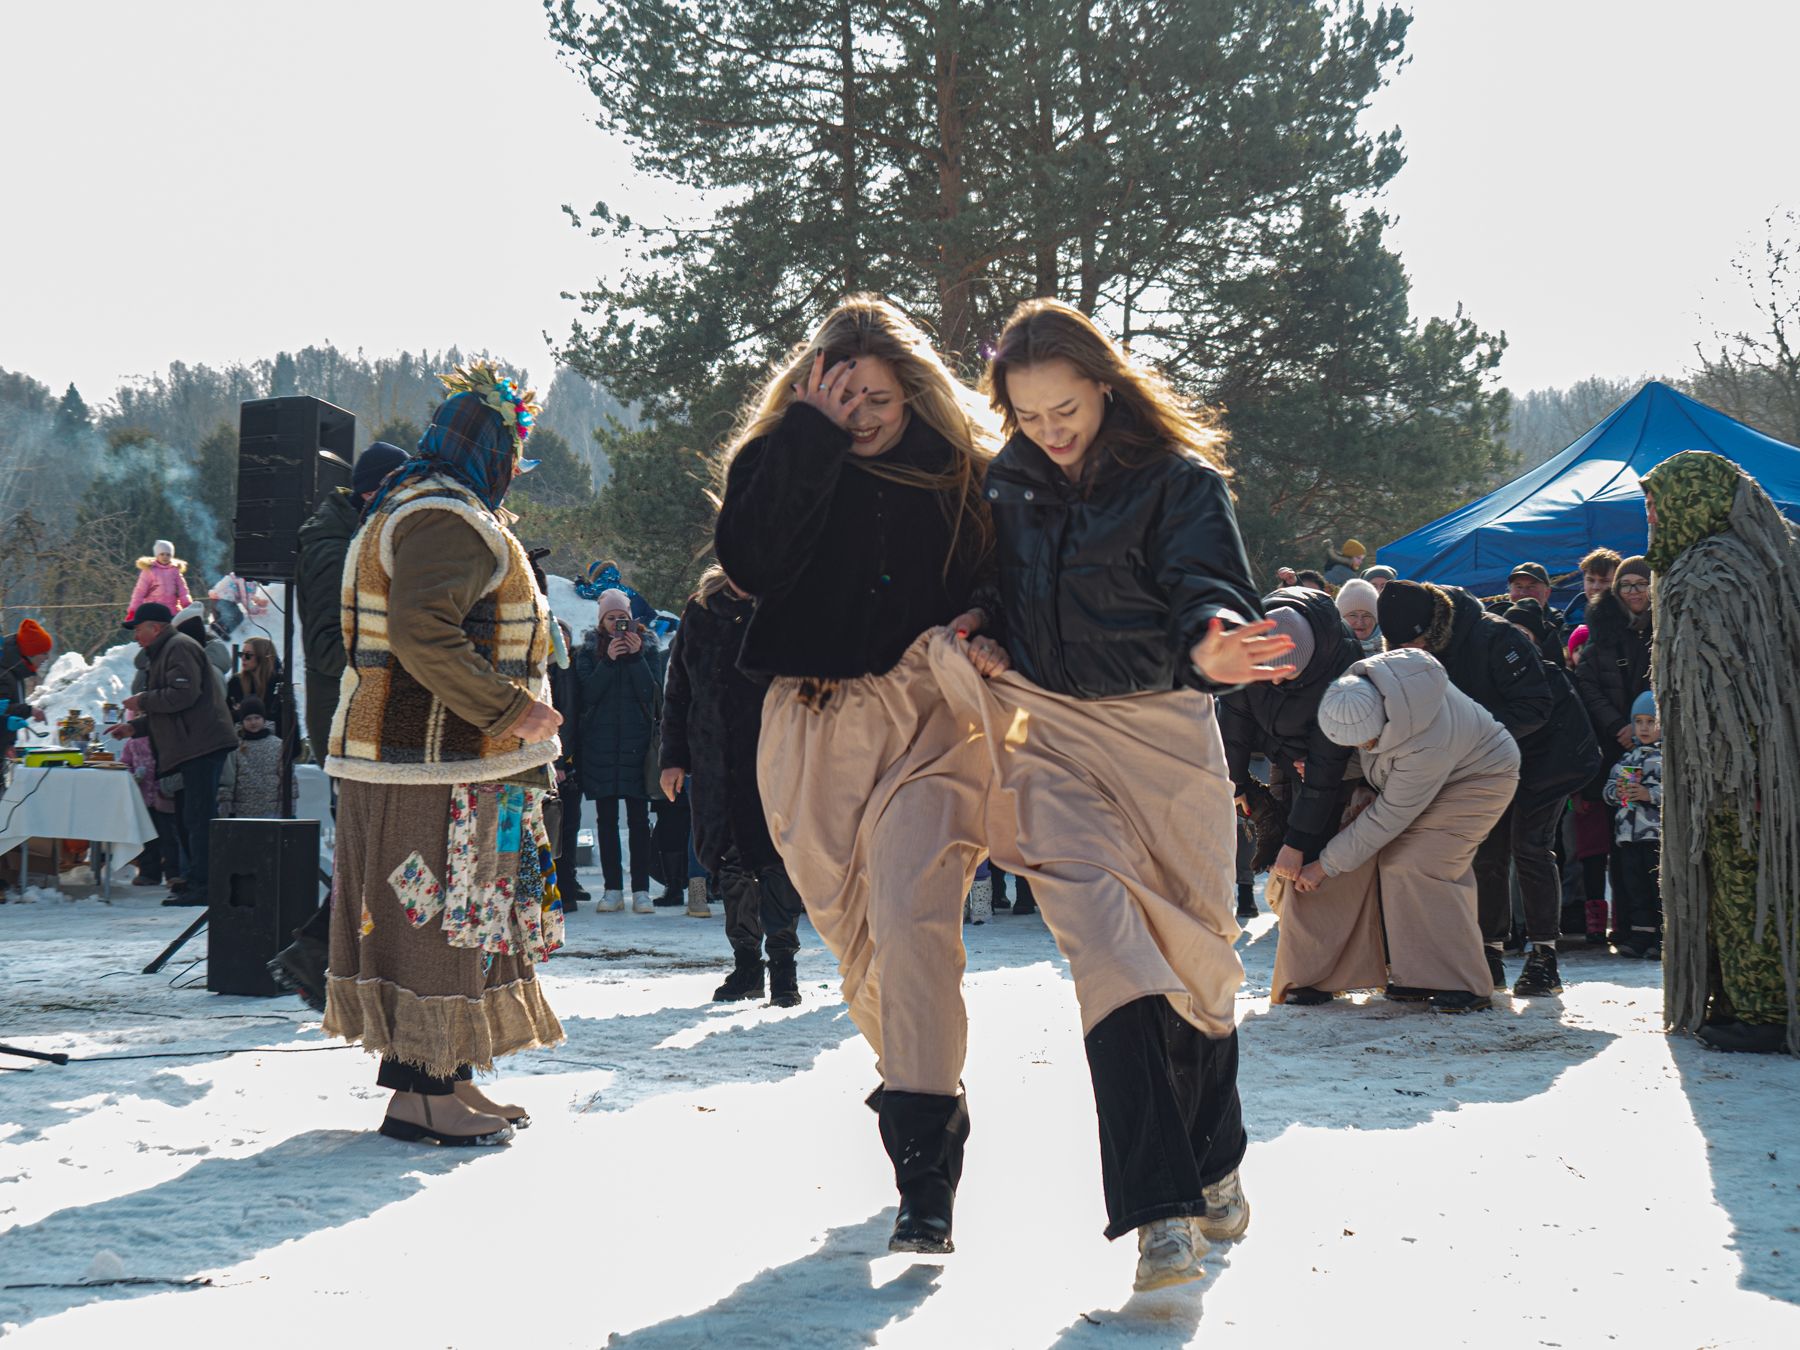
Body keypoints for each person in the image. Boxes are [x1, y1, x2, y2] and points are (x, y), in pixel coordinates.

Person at [954, 297, 1282, 1292]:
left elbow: (1203, 586)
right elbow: (984, 583)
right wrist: (976, 619)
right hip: (1049, 736)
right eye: (1029, 415)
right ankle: (1161, 1215)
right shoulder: (1005, 485)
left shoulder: (1180, 482)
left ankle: (1214, 1158)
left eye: (1066, 409)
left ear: (1103, 382)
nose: (1050, 433)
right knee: (1108, 954)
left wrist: (1215, 642)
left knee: (1197, 966)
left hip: (1165, 732)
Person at [715, 294, 1002, 1257]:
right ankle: (928, 1091)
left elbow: (1006, 582)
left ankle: (926, 1177)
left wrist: (983, 633)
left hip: (927, 715)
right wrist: (809, 440)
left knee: (916, 929)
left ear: (914, 391)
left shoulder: (964, 475)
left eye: (880, 396)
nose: (865, 413)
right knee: (859, 943)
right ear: (812, 394)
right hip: (806, 721)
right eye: (844, 397)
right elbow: (753, 565)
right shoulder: (785, 461)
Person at [322, 360, 566, 1142]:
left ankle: (449, 1076)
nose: (513, 479)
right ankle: (420, 1096)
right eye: (511, 460)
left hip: (452, 762)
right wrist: (509, 709)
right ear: (490, 450)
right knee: (435, 916)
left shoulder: (427, 506)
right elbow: (423, 634)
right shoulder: (443, 519)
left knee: (472, 916)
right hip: (432, 763)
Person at [1641, 450, 1800, 1055]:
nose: (1652, 516)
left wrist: (1732, 773)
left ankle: (1764, 1009)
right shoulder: (1750, 561)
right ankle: (1743, 997)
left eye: (1658, 503)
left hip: (1738, 771)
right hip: (1751, 766)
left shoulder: (1712, 576)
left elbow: (1738, 687)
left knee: (1747, 878)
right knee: (1752, 878)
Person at [1377, 579, 1599, 996]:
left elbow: (1535, 706)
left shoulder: (1494, 636)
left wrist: (1468, 736)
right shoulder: (1418, 651)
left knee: (1529, 845)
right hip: (1488, 755)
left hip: (1550, 750)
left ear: (1433, 626)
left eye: (1420, 642)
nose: (1417, 652)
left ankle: (1543, 956)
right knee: (1486, 849)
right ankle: (1489, 952)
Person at [1296, 647, 1522, 1013]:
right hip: (1438, 769)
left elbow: (1387, 817)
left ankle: (1467, 982)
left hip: (1481, 776)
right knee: (1395, 864)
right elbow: (1372, 751)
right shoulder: (1366, 696)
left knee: (1423, 863)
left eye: (1364, 743)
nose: (1360, 748)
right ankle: (1418, 976)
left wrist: (1325, 865)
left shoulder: (1426, 742)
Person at [660, 566, 806, 1004]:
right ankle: (746, 968)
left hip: (772, 757)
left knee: (776, 862)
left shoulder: (785, 607)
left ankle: (784, 969)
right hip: (712, 761)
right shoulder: (700, 611)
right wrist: (673, 759)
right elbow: (678, 691)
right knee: (729, 862)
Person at [1219, 590, 1371, 1005]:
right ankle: (1304, 964)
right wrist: (1237, 787)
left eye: (1284, 674)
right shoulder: (1244, 649)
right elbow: (1233, 729)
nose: (1275, 681)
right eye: (1265, 674)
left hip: (1334, 765)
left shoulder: (1341, 667)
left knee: (1310, 860)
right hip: (1285, 755)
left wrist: (1297, 844)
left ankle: (1318, 974)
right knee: (1288, 855)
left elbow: (1324, 774)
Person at [108, 602, 238, 907]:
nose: (135, 637)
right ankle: (196, 880)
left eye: (138, 630)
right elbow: (176, 706)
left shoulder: (177, 648)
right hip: (194, 745)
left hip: (201, 745)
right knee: (191, 817)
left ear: (155, 627)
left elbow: (183, 694)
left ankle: (204, 885)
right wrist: (136, 729)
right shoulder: (170, 649)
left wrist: (142, 700)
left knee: (198, 817)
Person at [297, 441, 410, 763]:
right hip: (346, 728)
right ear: (371, 495)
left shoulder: (358, 540)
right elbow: (327, 650)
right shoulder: (333, 553)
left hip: (360, 720)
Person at [575, 588, 663, 914]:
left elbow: (654, 695)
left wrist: (637, 657)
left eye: (622, 618)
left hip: (638, 747)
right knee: (606, 820)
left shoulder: (649, 648)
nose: (617, 624)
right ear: (601, 621)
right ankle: (612, 889)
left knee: (640, 822)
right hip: (599, 747)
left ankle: (641, 890)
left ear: (631, 619)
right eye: (611, 618)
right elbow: (588, 695)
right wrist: (609, 661)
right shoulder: (588, 651)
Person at [1604, 690, 1662, 959]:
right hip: (1628, 836)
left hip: (1654, 836)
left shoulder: (1664, 760)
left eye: (1651, 721)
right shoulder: (1626, 760)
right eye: (1639, 722)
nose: (1645, 727)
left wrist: (1649, 795)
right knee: (1634, 887)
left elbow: (1677, 793)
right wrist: (1618, 792)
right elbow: (1608, 792)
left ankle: (1662, 936)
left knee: (1656, 887)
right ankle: (1641, 934)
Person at [545, 616, 588, 910]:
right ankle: (560, 886)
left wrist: (561, 759)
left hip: (566, 762)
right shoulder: (546, 670)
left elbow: (570, 717)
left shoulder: (569, 670)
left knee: (566, 827)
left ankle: (566, 887)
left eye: (564, 636)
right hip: (553, 760)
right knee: (554, 828)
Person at [120, 714, 181, 885]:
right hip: (142, 797)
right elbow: (125, 763)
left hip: (163, 794)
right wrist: (133, 776)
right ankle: (149, 872)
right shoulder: (131, 744)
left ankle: (173, 873)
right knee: (147, 837)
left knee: (169, 837)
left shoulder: (163, 739)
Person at [217, 697, 292, 819]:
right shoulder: (235, 746)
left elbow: (288, 776)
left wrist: (290, 803)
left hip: (272, 808)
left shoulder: (277, 744)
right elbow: (228, 777)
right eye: (248, 719)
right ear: (242, 721)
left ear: (264, 719)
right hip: (243, 809)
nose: (253, 722)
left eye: (257, 718)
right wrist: (225, 804)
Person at [0, 620, 52, 790]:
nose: (47, 658)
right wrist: (28, 710)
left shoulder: (14, 672)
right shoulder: (6, 673)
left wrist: (8, 744)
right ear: (30, 653)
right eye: (43, 653)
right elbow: (4, 710)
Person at [226, 636, 292, 738]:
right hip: (242, 745)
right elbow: (226, 717)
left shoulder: (279, 685)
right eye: (242, 654)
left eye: (248, 655)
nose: (243, 658)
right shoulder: (236, 683)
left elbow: (286, 721)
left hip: (274, 746)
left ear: (262, 657)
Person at [126, 539, 192, 621]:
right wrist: (133, 610)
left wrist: (187, 605)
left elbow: (183, 590)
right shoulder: (149, 570)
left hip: (171, 611)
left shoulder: (175, 571)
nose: (165, 557)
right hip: (154, 611)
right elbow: (139, 591)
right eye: (162, 554)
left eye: (168, 555)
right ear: (157, 555)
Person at [1568, 546, 1622, 631]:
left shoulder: (1630, 620)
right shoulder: (1569, 621)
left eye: (1604, 581)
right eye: (1591, 580)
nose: (1595, 587)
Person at [1334, 577, 1383, 655]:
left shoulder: (1391, 650)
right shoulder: (1329, 651)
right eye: (1353, 615)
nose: (1360, 622)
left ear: (1376, 620)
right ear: (1340, 619)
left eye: (1367, 615)